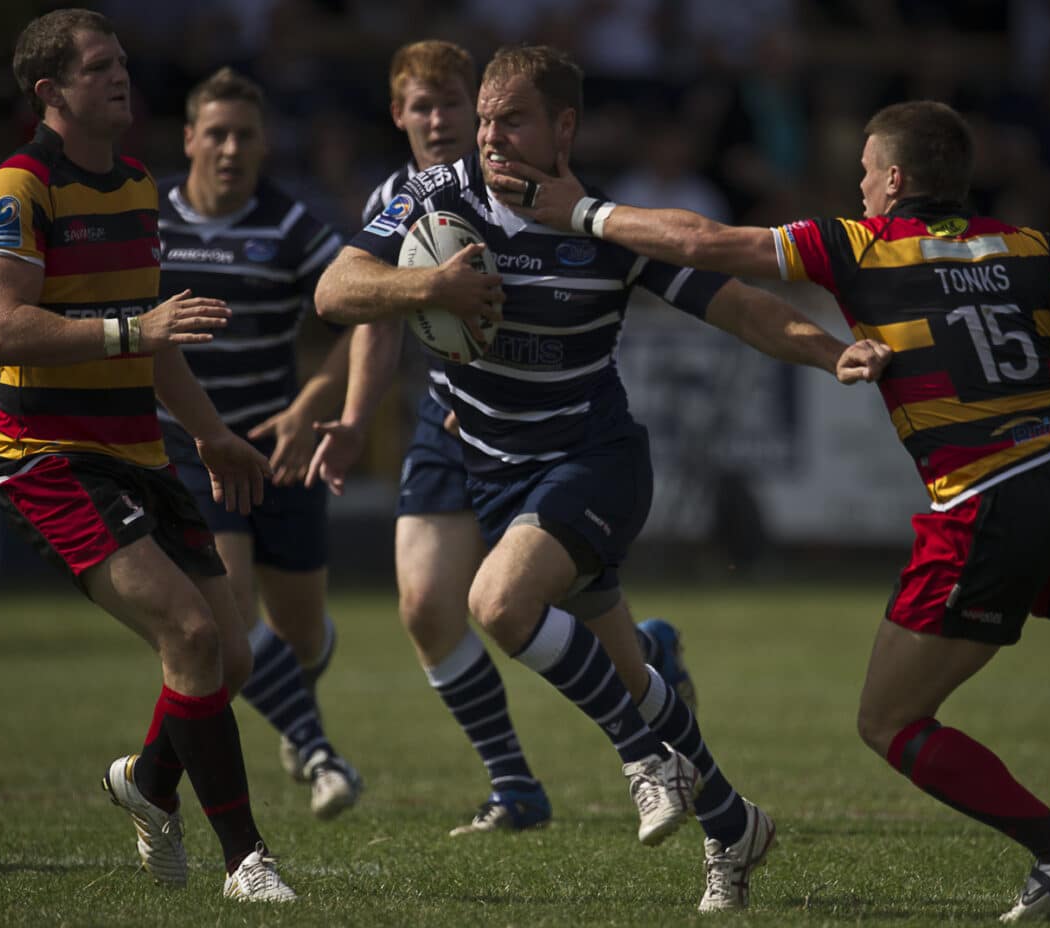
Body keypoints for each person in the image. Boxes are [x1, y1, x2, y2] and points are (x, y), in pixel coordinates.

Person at [497, 97, 1050, 919]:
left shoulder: (858, 244)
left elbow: (704, 244)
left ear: (894, 181)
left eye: (865, 171)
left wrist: (582, 210)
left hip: (986, 497)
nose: (859, 185)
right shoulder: (1028, 247)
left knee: (889, 719)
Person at [312, 43, 886, 912]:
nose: (492, 137)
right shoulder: (437, 198)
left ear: (564, 127)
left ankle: (640, 760)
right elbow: (334, 290)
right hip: (496, 471)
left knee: (498, 604)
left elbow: (741, 309)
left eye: (515, 120)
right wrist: (431, 287)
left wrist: (835, 352)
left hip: (595, 462)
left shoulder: (605, 225)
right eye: (487, 119)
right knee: (632, 678)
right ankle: (735, 826)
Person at [308, 39, 697, 839]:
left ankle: (650, 673)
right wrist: (352, 418)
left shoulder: (531, 191)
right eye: (427, 106)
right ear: (400, 115)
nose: (446, 120)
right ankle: (514, 783)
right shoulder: (404, 195)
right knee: (425, 604)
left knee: (543, 607)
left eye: (459, 103)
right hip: (448, 419)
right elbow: (368, 308)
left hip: (544, 422)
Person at [0, 9, 294, 901]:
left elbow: (153, 341)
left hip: (140, 452)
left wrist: (211, 429)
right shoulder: (19, 186)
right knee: (187, 634)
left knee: (230, 659)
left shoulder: (140, 183)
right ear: (52, 92)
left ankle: (147, 785)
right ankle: (246, 863)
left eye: (121, 63)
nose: (121, 77)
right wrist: (131, 328)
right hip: (50, 457)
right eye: (99, 67)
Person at [157, 65, 362, 821]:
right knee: (230, 616)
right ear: (189, 139)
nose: (231, 147)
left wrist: (314, 401)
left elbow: (367, 312)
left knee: (300, 632)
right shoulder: (151, 226)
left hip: (282, 445)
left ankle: (297, 686)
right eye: (216, 132)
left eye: (245, 134)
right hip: (191, 449)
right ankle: (318, 754)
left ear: (265, 143)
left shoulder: (290, 225)